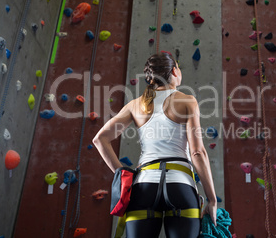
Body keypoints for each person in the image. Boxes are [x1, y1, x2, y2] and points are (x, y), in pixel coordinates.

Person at [93, 52, 217, 238]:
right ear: (175, 71)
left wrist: (123, 176)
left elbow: (100, 139)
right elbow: (198, 152)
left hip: (144, 186)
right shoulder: (187, 101)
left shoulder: (135, 105)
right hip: (180, 185)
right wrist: (212, 199)